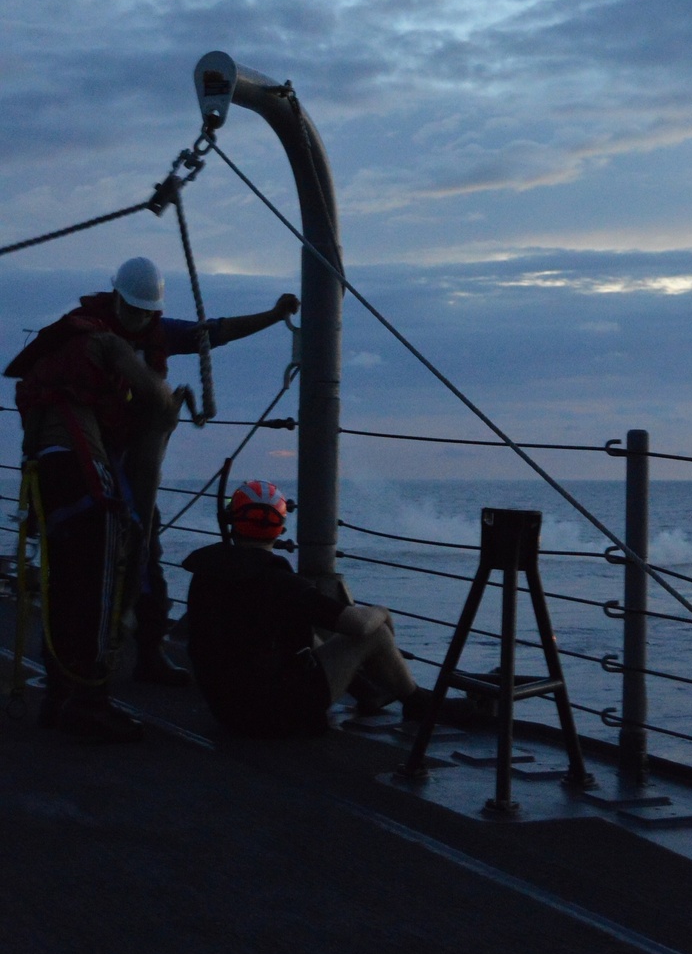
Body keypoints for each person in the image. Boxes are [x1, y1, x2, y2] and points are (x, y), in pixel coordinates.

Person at [102, 256, 300, 687]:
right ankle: (77, 666)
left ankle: (150, 654)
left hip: (138, 471)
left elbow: (216, 333)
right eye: (131, 308)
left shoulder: (159, 333)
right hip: (94, 464)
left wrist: (272, 315)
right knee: (88, 561)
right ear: (115, 297)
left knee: (146, 555)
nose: (137, 318)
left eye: (144, 311)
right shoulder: (90, 337)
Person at [4, 283, 183, 740]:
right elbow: (158, 400)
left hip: (45, 472)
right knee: (104, 583)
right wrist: (165, 411)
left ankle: (59, 696)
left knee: (64, 584)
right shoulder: (106, 341)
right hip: (84, 472)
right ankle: (90, 701)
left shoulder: (61, 347)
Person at [182, 480, 431, 736]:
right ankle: (417, 702)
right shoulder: (281, 583)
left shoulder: (207, 572)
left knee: (303, 633)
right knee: (374, 633)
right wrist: (382, 612)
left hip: (227, 710)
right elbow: (359, 625)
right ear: (279, 527)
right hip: (276, 716)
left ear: (231, 521)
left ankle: (366, 690)